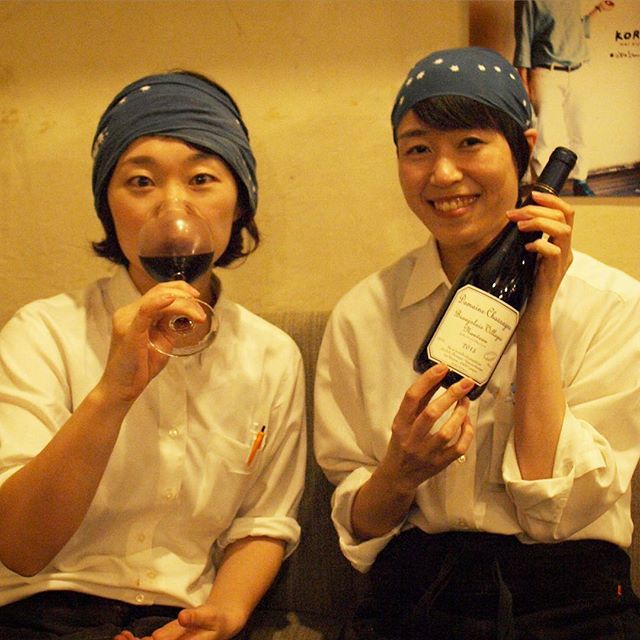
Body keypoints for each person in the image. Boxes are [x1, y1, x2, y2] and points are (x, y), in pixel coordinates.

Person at [314, 47, 640, 639]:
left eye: (469, 143)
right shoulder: (363, 315)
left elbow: (556, 507)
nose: (443, 174)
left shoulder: (615, 306)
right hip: (415, 600)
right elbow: (359, 530)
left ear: (524, 149)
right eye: (418, 149)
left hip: (574, 600)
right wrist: (400, 472)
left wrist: (536, 318)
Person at [0, 71, 306, 639]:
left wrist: (222, 617)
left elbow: (263, 521)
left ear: (240, 200)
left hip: (178, 617)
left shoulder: (271, 356)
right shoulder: (43, 333)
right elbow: (17, 546)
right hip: (39, 609)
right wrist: (111, 395)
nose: (173, 206)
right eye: (140, 181)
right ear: (107, 206)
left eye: (201, 179)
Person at [513, 0, 615, 196]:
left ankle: (580, 181)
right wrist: (523, 81)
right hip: (546, 73)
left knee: (581, 131)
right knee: (544, 136)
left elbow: (575, 28)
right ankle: (542, 191)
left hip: (577, 71)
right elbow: (523, 39)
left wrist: (598, 10)